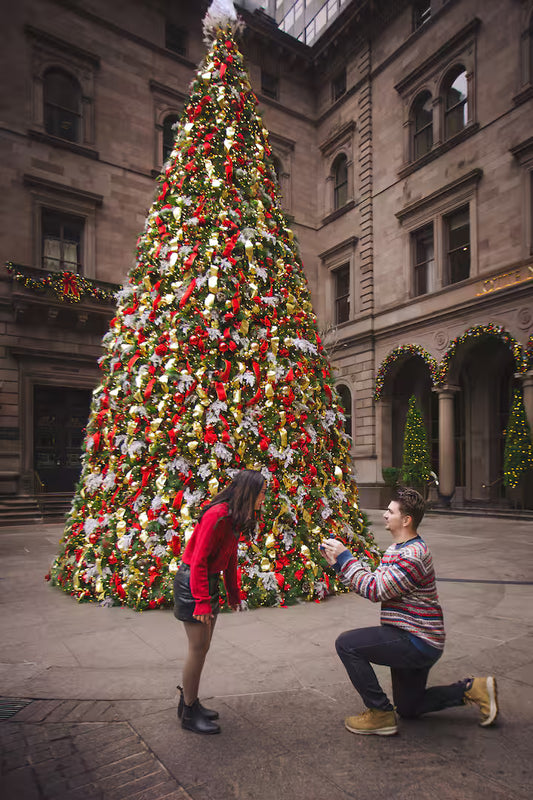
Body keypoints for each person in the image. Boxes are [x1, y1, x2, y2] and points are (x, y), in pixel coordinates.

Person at [321, 487, 498, 736]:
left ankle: (380, 713)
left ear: (406, 520)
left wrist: (346, 557)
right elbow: (375, 583)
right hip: (410, 634)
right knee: (409, 707)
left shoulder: (413, 555)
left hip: (416, 639)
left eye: (390, 511)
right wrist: (340, 564)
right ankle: (473, 689)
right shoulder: (397, 549)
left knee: (347, 644)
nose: (384, 515)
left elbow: (376, 589)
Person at [173, 469, 266, 734]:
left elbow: (230, 556)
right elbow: (199, 559)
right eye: (262, 492)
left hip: (207, 583)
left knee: (203, 647)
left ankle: (189, 702)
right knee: (198, 649)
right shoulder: (217, 515)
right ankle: (189, 711)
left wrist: (233, 592)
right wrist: (202, 601)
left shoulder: (234, 516)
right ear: (249, 491)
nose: (264, 498)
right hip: (194, 584)